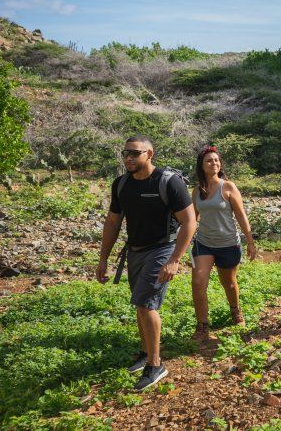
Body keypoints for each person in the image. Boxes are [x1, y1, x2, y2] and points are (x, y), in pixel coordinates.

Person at [96, 136, 196, 392]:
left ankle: (156, 364)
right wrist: (103, 259)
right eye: (125, 153)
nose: (128, 157)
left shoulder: (169, 182)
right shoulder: (121, 184)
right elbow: (113, 223)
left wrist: (175, 260)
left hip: (162, 249)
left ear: (149, 154)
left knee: (145, 304)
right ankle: (145, 352)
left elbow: (189, 222)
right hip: (135, 251)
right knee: (139, 303)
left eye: (134, 153)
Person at [190, 144, 257, 341]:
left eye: (217, 160)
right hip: (204, 243)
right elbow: (192, 221)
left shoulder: (228, 186)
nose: (214, 163)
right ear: (201, 165)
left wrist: (250, 241)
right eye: (209, 160)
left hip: (228, 243)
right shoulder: (196, 191)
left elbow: (241, 214)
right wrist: (178, 243)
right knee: (198, 282)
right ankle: (202, 326)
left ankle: (235, 311)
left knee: (228, 283)